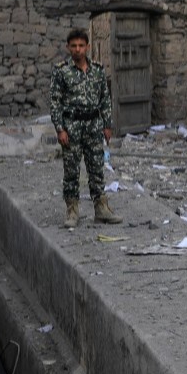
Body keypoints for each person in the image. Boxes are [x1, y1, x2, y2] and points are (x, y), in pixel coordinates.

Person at [49, 28, 120, 228]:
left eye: (81, 46)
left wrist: (107, 125)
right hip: (71, 126)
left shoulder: (97, 70)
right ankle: (72, 211)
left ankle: (101, 209)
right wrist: (60, 129)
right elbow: (55, 101)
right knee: (71, 171)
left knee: (96, 168)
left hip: (93, 126)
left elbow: (105, 99)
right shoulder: (61, 71)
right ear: (68, 47)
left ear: (87, 47)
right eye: (74, 46)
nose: (78, 50)